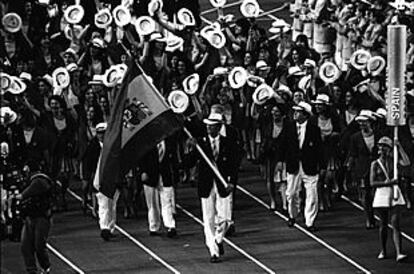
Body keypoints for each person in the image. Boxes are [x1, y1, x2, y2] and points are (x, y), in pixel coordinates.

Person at [184, 113, 238, 263]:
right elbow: (188, 163)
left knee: (225, 218)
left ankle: (218, 239)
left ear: (219, 127)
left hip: (222, 184)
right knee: (208, 219)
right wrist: (189, 149)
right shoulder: (200, 143)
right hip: (206, 185)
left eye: (212, 125)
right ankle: (213, 251)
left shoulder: (228, 143)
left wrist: (232, 182)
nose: (208, 128)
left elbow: (234, 165)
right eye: (207, 125)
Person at [277, 101, 323, 231]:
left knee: (312, 195)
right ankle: (293, 214)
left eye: (298, 112)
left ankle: (310, 221)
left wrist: (322, 166)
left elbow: (319, 149)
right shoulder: (289, 127)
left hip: (310, 166)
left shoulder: (314, 130)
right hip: (293, 165)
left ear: (305, 115)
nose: (295, 114)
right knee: (291, 193)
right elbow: (282, 145)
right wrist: (280, 161)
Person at [370, 136, 408, 262]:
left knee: (396, 223)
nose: (382, 149)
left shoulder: (394, 160)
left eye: (385, 147)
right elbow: (372, 182)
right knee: (383, 224)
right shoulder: (375, 164)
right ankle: (383, 250)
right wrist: (387, 182)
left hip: (395, 193)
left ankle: (399, 252)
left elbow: (407, 162)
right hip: (382, 194)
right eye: (381, 146)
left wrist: (399, 146)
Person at [16, 164, 54, 274]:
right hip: (29, 217)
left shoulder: (40, 180)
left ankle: (45, 267)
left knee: (39, 245)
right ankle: (31, 270)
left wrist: (21, 196)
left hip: (42, 218)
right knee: (25, 245)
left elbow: (29, 191)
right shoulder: (27, 180)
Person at [92, 123, 120, 241]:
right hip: (99, 180)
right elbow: (89, 164)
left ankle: (110, 227)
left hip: (113, 179)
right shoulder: (93, 147)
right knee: (103, 205)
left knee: (112, 205)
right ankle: (104, 228)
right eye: (99, 133)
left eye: (103, 133)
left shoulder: (115, 147)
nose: (101, 136)